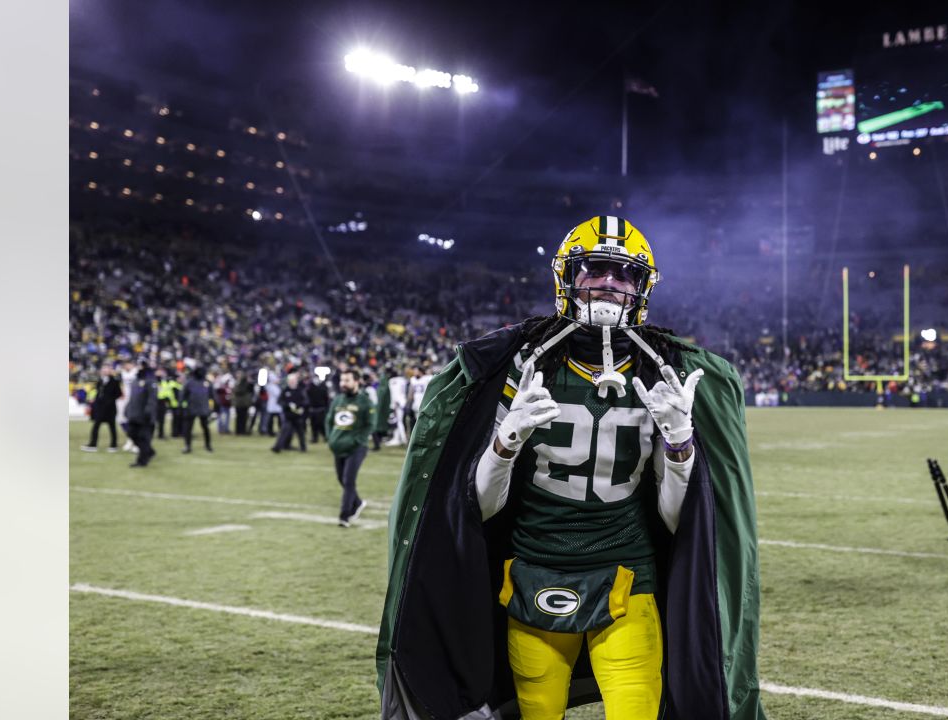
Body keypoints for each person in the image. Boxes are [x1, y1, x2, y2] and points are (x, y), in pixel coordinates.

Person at [375, 216, 764, 720]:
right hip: (533, 575)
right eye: (595, 268)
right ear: (567, 277)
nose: (608, 283)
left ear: (642, 288)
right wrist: (505, 441)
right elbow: (479, 508)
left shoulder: (663, 371)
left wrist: (680, 445)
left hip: (629, 575)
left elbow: (680, 524)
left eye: (623, 274)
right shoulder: (520, 365)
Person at [327, 369, 374, 527]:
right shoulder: (338, 400)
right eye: (342, 380)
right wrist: (330, 438)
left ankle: (344, 516)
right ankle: (358, 502)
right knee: (342, 479)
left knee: (348, 480)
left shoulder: (365, 401)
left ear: (356, 381)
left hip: (356, 448)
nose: (343, 384)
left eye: (347, 380)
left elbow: (370, 424)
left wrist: (358, 440)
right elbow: (329, 421)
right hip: (338, 447)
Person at [82, 363, 122, 452]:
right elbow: (98, 393)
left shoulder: (115, 381)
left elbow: (119, 394)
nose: (104, 370)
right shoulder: (100, 380)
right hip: (100, 408)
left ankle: (113, 445)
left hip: (110, 409)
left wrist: (109, 400)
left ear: (110, 370)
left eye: (106, 369)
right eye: (103, 369)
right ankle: (93, 445)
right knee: (96, 426)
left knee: (112, 427)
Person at [125, 363, 158, 468]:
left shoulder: (151, 382)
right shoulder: (135, 381)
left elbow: (152, 399)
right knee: (131, 433)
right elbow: (132, 398)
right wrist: (127, 409)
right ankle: (149, 451)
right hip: (134, 414)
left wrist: (148, 411)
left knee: (144, 438)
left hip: (145, 416)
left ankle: (142, 461)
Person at [273, 371, 308, 453]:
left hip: (298, 416)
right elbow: (280, 401)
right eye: (290, 381)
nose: (292, 382)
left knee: (300, 433)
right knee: (284, 432)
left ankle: (303, 448)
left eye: (293, 380)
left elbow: (306, 401)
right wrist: (287, 405)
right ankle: (278, 447)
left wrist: (301, 407)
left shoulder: (300, 390)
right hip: (288, 415)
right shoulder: (285, 390)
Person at [181, 368, 214, 454]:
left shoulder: (207, 383)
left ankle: (208, 445)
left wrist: (214, 408)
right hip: (191, 408)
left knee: (205, 428)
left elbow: (213, 396)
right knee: (188, 428)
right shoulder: (190, 382)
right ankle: (187, 446)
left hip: (203, 409)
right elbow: (183, 395)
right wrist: (182, 406)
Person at [307, 373, 331, 443]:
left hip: (321, 409)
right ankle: (315, 438)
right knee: (313, 424)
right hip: (313, 408)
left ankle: (326, 436)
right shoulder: (310, 387)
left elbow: (326, 398)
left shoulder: (323, 386)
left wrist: (326, 407)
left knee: (322, 424)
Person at [372, 368, 392, 451]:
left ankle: (377, 444)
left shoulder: (381, 388)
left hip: (379, 409)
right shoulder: (384, 387)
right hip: (383, 409)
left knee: (376, 426)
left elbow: (379, 399)